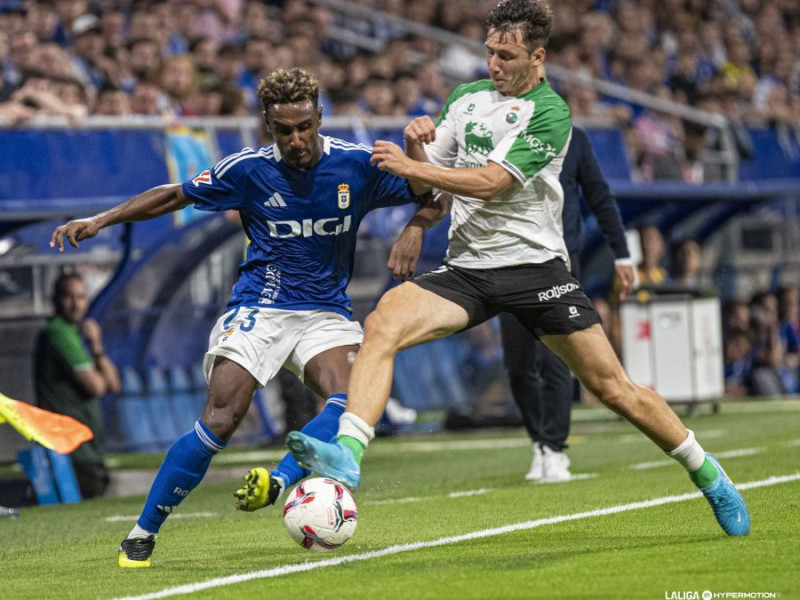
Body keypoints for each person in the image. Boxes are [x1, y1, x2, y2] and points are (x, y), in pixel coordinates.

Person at [286, 0, 750, 538]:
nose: (493, 65)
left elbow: (489, 182)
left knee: (614, 388)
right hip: (468, 270)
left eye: (506, 55)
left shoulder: (551, 113)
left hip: (536, 271)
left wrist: (410, 162)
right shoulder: (466, 99)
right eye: (488, 52)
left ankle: (709, 474)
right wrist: (417, 192)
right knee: (384, 320)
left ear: (538, 57)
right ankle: (347, 454)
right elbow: (436, 184)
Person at [50, 67, 437, 567]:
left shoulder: (357, 165)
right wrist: (101, 220)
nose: (296, 140)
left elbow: (434, 195)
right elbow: (174, 195)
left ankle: (277, 482)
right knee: (221, 418)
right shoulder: (247, 169)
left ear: (319, 117)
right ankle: (142, 533)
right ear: (267, 127)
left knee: (353, 397)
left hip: (325, 312)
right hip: (262, 305)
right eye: (284, 131)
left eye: (304, 127)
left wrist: (415, 229)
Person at [498, 125, 634, 483]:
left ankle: (555, 448)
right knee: (517, 361)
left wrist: (621, 253)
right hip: (509, 259)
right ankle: (539, 442)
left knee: (556, 354)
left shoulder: (573, 136)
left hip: (559, 259)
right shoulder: (500, 131)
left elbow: (599, 195)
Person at [33, 272, 121, 499]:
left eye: (81, 297)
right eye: (68, 297)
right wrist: (98, 370)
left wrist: (97, 347)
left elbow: (114, 384)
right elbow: (97, 387)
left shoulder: (74, 333)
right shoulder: (58, 332)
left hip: (87, 448)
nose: (76, 305)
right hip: (72, 449)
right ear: (54, 299)